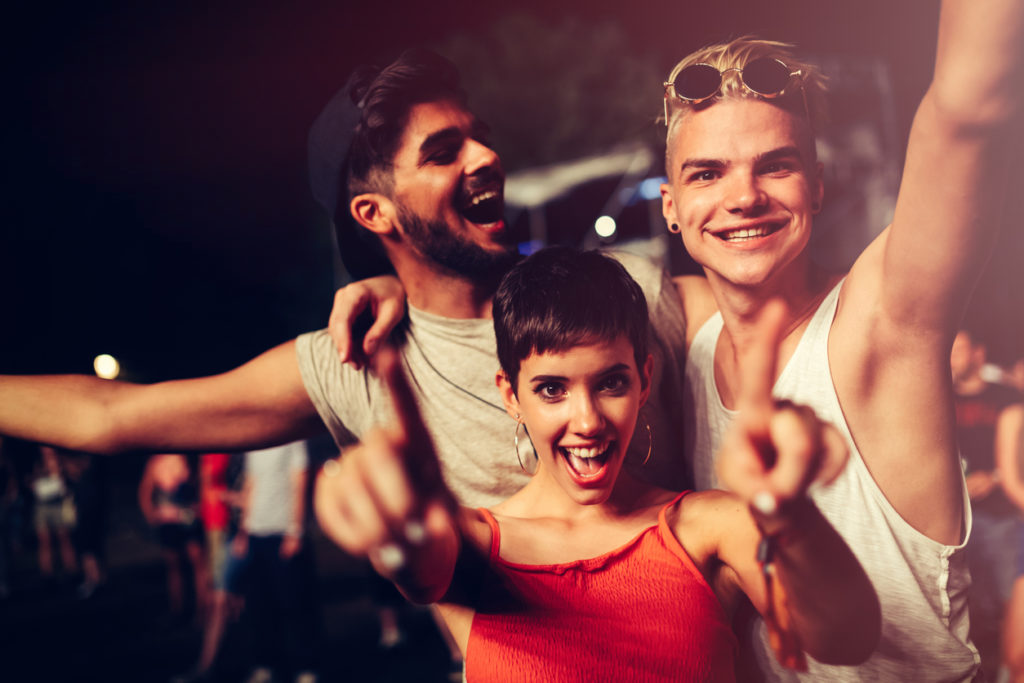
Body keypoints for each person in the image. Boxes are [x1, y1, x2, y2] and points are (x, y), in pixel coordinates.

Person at [0, 49, 687, 511]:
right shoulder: (356, 362)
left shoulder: (626, 290)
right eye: (444, 153)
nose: (486, 156)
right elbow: (110, 414)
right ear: (374, 212)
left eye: (478, 135)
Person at [314, 246, 879, 681]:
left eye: (610, 383)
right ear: (511, 395)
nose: (587, 421)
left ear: (645, 381)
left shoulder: (708, 527)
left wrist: (791, 515)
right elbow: (421, 567)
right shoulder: (476, 543)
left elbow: (846, 638)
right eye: (552, 389)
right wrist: (398, 529)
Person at [231, 442, 318, 683]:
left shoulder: (293, 441)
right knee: (260, 604)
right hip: (256, 533)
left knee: (294, 604)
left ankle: (306, 667)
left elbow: (299, 481)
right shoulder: (253, 442)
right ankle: (265, 665)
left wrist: (295, 530)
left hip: (283, 533)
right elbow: (250, 483)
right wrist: (243, 530)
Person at [138, 453, 208, 620]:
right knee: (173, 566)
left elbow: (201, 483)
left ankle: (201, 610)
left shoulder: (188, 458)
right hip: (168, 522)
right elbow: (145, 491)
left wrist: (199, 507)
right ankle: (177, 609)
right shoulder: (155, 462)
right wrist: (150, 515)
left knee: (197, 563)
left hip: (189, 520)